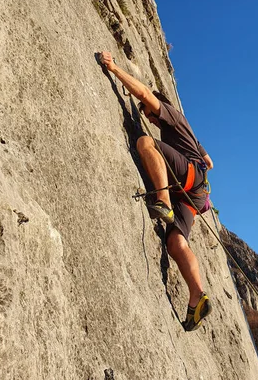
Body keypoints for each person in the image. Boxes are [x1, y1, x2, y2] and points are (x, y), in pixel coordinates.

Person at [99, 51, 214, 331]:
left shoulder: (171, 116)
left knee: (145, 144)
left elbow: (144, 94)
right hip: (193, 195)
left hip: (186, 182)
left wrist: (113, 68)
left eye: (148, 114)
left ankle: (162, 200)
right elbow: (210, 162)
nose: (149, 118)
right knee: (176, 243)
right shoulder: (186, 133)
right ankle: (197, 295)